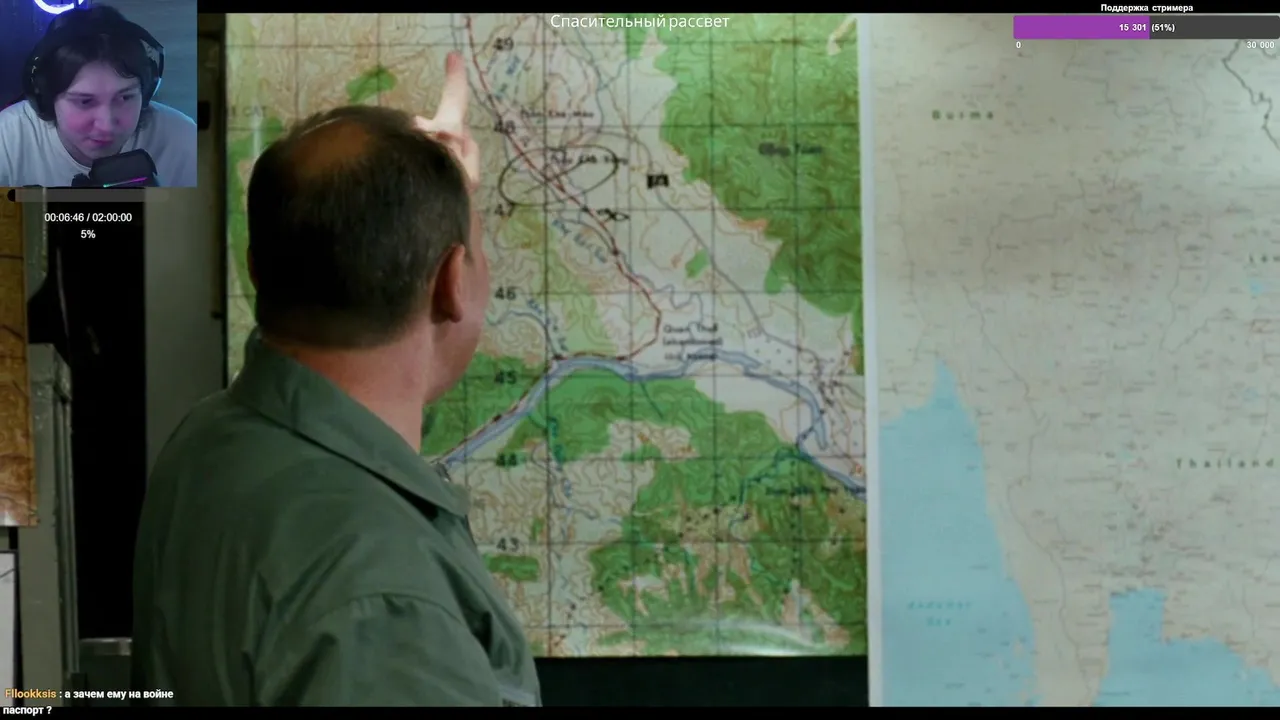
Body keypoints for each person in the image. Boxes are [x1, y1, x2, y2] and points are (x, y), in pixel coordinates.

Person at [130, 53, 538, 706]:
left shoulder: (210, 441)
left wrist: (441, 199)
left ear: (256, 269)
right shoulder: (387, 600)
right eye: (476, 253)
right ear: (451, 283)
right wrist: (443, 214)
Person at [0, 6, 196, 187]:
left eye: (125, 98)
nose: (106, 126)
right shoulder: (6, 140)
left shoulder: (186, 142)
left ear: (145, 93)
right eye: (85, 101)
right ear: (46, 98)